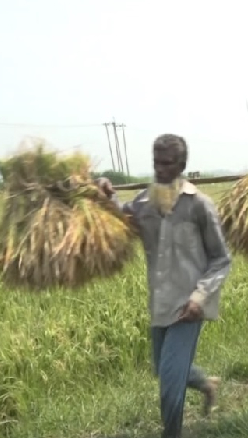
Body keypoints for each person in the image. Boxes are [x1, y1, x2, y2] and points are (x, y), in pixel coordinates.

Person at [97, 134, 232, 438]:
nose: (160, 169)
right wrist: (106, 193)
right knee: (164, 369)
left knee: (170, 387)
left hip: (188, 308)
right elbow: (121, 218)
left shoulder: (199, 206)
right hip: (160, 304)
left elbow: (221, 259)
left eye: (168, 163)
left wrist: (199, 298)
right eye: (156, 162)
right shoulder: (144, 203)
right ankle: (206, 384)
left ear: (182, 165)